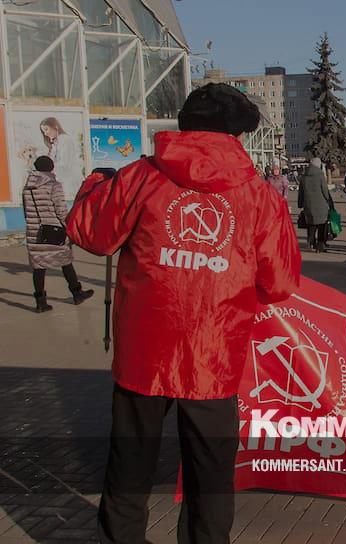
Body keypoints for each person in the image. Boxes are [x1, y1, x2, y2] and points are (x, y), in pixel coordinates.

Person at [66, 82, 300, 543]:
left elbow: (92, 232)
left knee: (130, 462)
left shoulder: (140, 176)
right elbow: (280, 283)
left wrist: (95, 184)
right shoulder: (258, 195)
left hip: (145, 350)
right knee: (210, 472)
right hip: (213, 353)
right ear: (237, 134)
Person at [21, 155, 94, 312]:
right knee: (65, 261)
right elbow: (60, 211)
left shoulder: (27, 187)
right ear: (51, 168)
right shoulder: (53, 185)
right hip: (54, 230)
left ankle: (41, 303)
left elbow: (26, 212)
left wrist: (34, 225)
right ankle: (77, 293)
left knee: (39, 266)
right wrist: (69, 227)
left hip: (35, 232)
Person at [299, 157, 334, 252]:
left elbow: (301, 191)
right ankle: (320, 246)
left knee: (311, 225)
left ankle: (311, 243)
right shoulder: (320, 175)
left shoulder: (304, 175)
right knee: (322, 225)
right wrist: (329, 201)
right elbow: (325, 190)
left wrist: (300, 203)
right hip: (321, 204)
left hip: (308, 204)